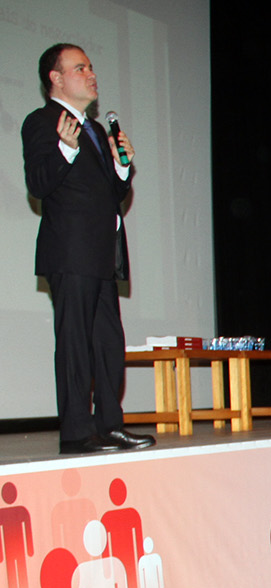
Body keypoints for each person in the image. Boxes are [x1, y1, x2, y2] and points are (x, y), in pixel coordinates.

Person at [21, 44, 153, 455]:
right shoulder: (41, 122)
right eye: (80, 68)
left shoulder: (96, 130)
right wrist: (65, 149)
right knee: (75, 343)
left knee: (108, 343)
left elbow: (112, 193)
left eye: (91, 67)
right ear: (56, 78)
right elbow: (38, 183)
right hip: (70, 252)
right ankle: (77, 433)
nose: (91, 74)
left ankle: (110, 426)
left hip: (102, 254)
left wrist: (122, 166)